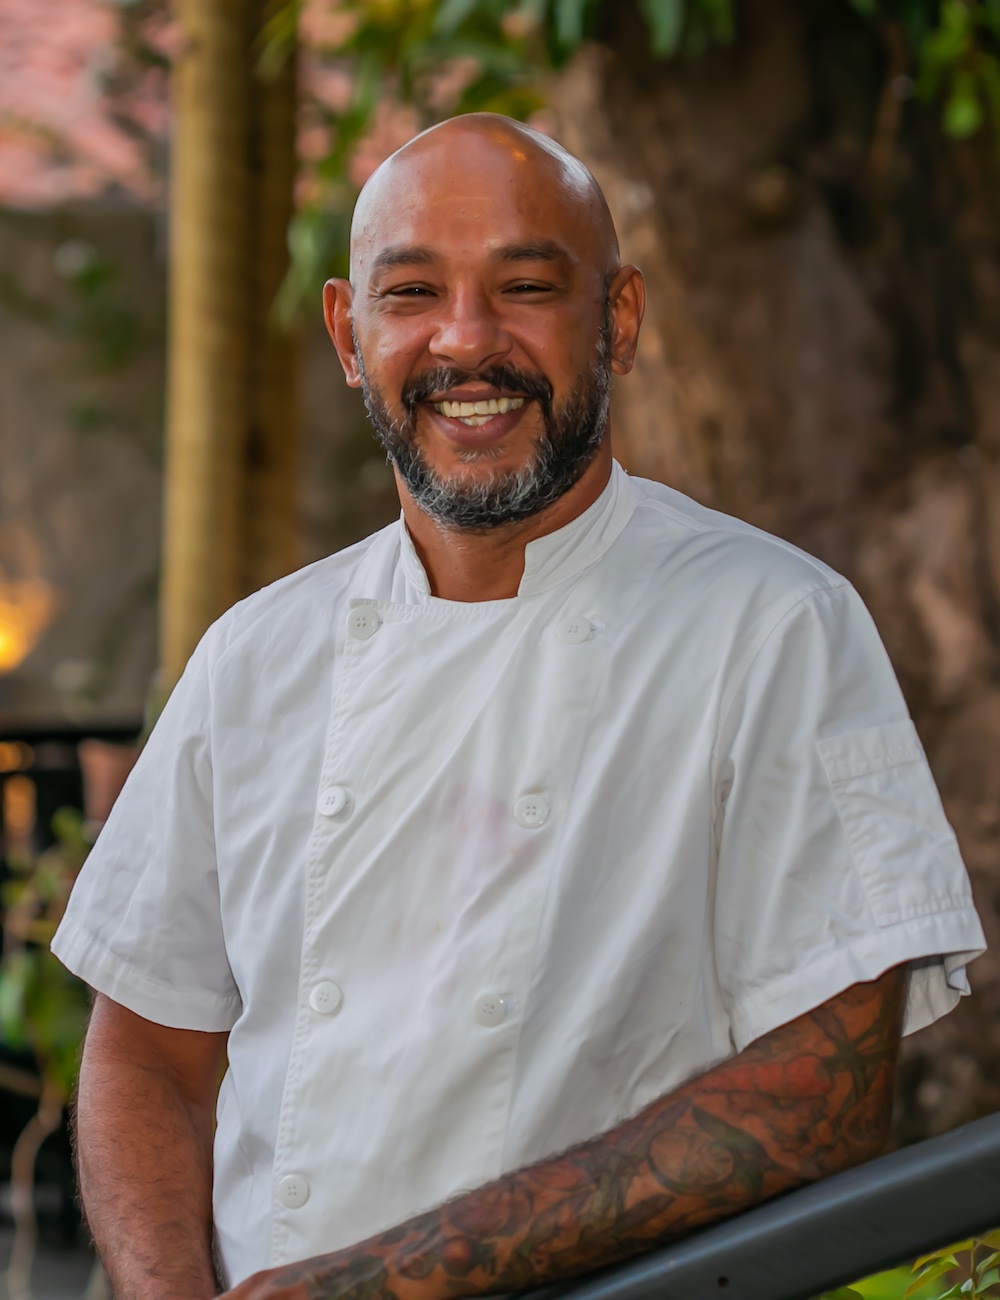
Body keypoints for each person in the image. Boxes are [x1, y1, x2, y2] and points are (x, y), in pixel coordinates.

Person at [52, 113, 986, 1300]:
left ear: (619, 319)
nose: (465, 340)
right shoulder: (255, 654)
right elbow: (147, 1047)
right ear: (348, 334)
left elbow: (821, 1100)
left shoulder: (770, 625)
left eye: (526, 286)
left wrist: (373, 1284)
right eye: (411, 293)